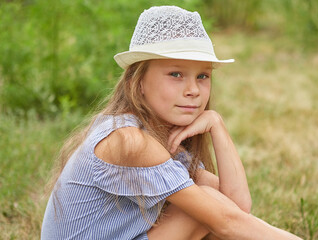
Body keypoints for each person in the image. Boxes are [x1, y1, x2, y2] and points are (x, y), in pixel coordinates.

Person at [41, 5, 302, 240]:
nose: (193, 90)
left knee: (210, 208)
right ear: (137, 82)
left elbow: (236, 205)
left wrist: (217, 125)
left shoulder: (161, 136)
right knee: (206, 211)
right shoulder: (129, 140)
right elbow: (227, 220)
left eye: (202, 76)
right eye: (176, 74)